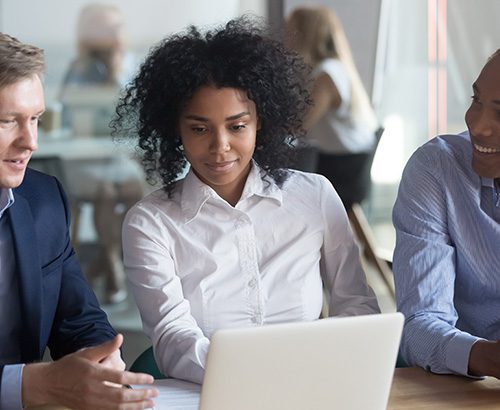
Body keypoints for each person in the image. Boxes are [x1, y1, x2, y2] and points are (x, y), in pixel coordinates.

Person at [114, 17, 380, 385]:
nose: (220, 146)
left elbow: (358, 307)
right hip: (212, 395)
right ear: (175, 129)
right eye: (199, 128)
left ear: (261, 122)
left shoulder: (314, 196)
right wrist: (256, 377)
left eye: (237, 126)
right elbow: (173, 338)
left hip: (313, 387)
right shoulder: (150, 223)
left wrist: (323, 367)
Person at [0, 33, 157, 409]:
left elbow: (79, 318)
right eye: (8, 121)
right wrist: (31, 385)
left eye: (35, 118)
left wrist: (102, 359)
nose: (31, 141)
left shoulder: (42, 202)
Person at [393, 49, 500, 378]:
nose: (478, 125)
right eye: (476, 100)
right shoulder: (436, 170)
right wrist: (487, 358)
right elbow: (418, 327)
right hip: (462, 388)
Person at [59, 3, 144, 304]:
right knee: (106, 192)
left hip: (116, 156)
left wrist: (116, 69)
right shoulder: (80, 69)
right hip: (84, 158)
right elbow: (75, 121)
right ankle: (112, 265)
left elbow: (135, 116)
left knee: (136, 190)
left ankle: (103, 263)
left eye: (116, 27)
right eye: (105, 29)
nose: (113, 35)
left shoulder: (131, 66)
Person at [285, 6, 380, 208]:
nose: (285, 37)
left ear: (304, 35)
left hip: (346, 168)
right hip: (342, 160)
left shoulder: (326, 77)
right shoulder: (332, 68)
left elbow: (298, 125)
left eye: (290, 30)